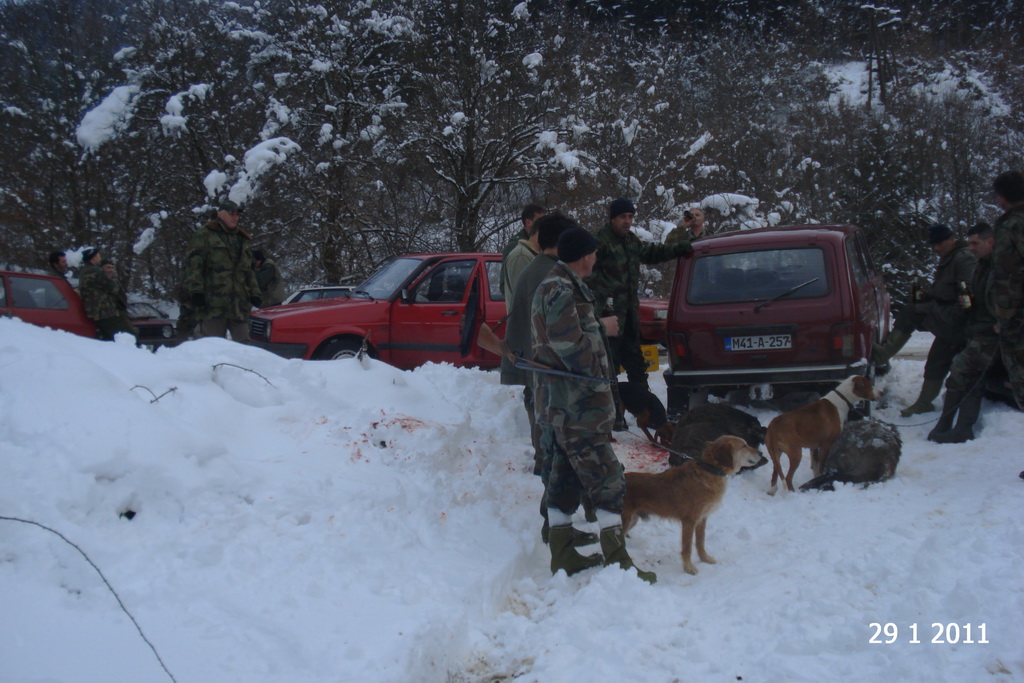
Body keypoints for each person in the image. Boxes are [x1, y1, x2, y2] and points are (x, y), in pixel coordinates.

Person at [531, 225, 655, 582]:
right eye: (595, 252)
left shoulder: (561, 285)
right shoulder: (560, 289)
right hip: (577, 407)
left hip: (570, 405)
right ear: (585, 255)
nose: (597, 257)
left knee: (564, 479)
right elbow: (571, 348)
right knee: (607, 479)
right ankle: (618, 562)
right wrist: (604, 330)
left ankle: (564, 554)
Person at [500, 213, 604, 546]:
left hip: (548, 378)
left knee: (563, 456)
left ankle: (568, 521)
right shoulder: (552, 277)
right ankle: (563, 526)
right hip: (558, 383)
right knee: (562, 457)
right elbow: (565, 342)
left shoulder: (541, 271)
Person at [586, 198, 694, 428]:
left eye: (630, 217)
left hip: (630, 320)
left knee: (637, 369)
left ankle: (648, 415)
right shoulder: (600, 241)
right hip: (610, 318)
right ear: (612, 218)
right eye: (623, 217)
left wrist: (677, 249)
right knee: (609, 370)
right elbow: (584, 269)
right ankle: (614, 419)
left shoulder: (630, 241)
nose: (627, 221)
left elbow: (651, 252)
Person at [873, 223, 976, 416]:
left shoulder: (963, 260)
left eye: (939, 244)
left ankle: (883, 354)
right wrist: (927, 296)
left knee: (912, 312)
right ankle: (925, 402)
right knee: (937, 359)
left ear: (951, 239)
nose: (936, 249)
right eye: (933, 245)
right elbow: (945, 290)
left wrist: (933, 308)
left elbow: (966, 298)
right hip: (949, 319)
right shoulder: (950, 258)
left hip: (957, 320)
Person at [928, 223, 998, 443]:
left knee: (962, 371)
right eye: (969, 243)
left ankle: (959, 426)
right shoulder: (982, 266)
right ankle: (951, 425)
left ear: (990, 242)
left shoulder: (1001, 267)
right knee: (970, 376)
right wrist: (968, 302)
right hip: (977, 329)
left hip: (992, 333)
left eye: (975, 243)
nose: (972, 248)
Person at [184, 198, 262, 341]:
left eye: (237, 214)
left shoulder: (241, 239)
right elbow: (194, 265)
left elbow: (248, 271)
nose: (235, 217)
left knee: (244, 346)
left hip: (239, 305)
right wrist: (196, 291)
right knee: (214, 347)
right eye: (231, 213)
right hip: (214, 304)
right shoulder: (205, 235)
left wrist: (255, 293)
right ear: (220, 214)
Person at [991, 170, 1024, 413]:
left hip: (1017, 313)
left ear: (1003, 197)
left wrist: (1004, 313)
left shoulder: (1012, 225)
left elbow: (1008, 273)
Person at [78, 248, 136, 341]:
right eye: (98, 256)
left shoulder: (83, 272)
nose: (100, 258)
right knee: (129, 337)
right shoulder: (97, 271)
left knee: (108, 338)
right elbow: (113, 288)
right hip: (106, 311)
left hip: (93, 311)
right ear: (94, 258)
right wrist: (113, 278)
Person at [500, 204, 546, 295]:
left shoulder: (542, 242)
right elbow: (504, 284)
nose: (544, 224)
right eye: (540, 221)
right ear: (528, 222)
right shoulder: (515, 246)